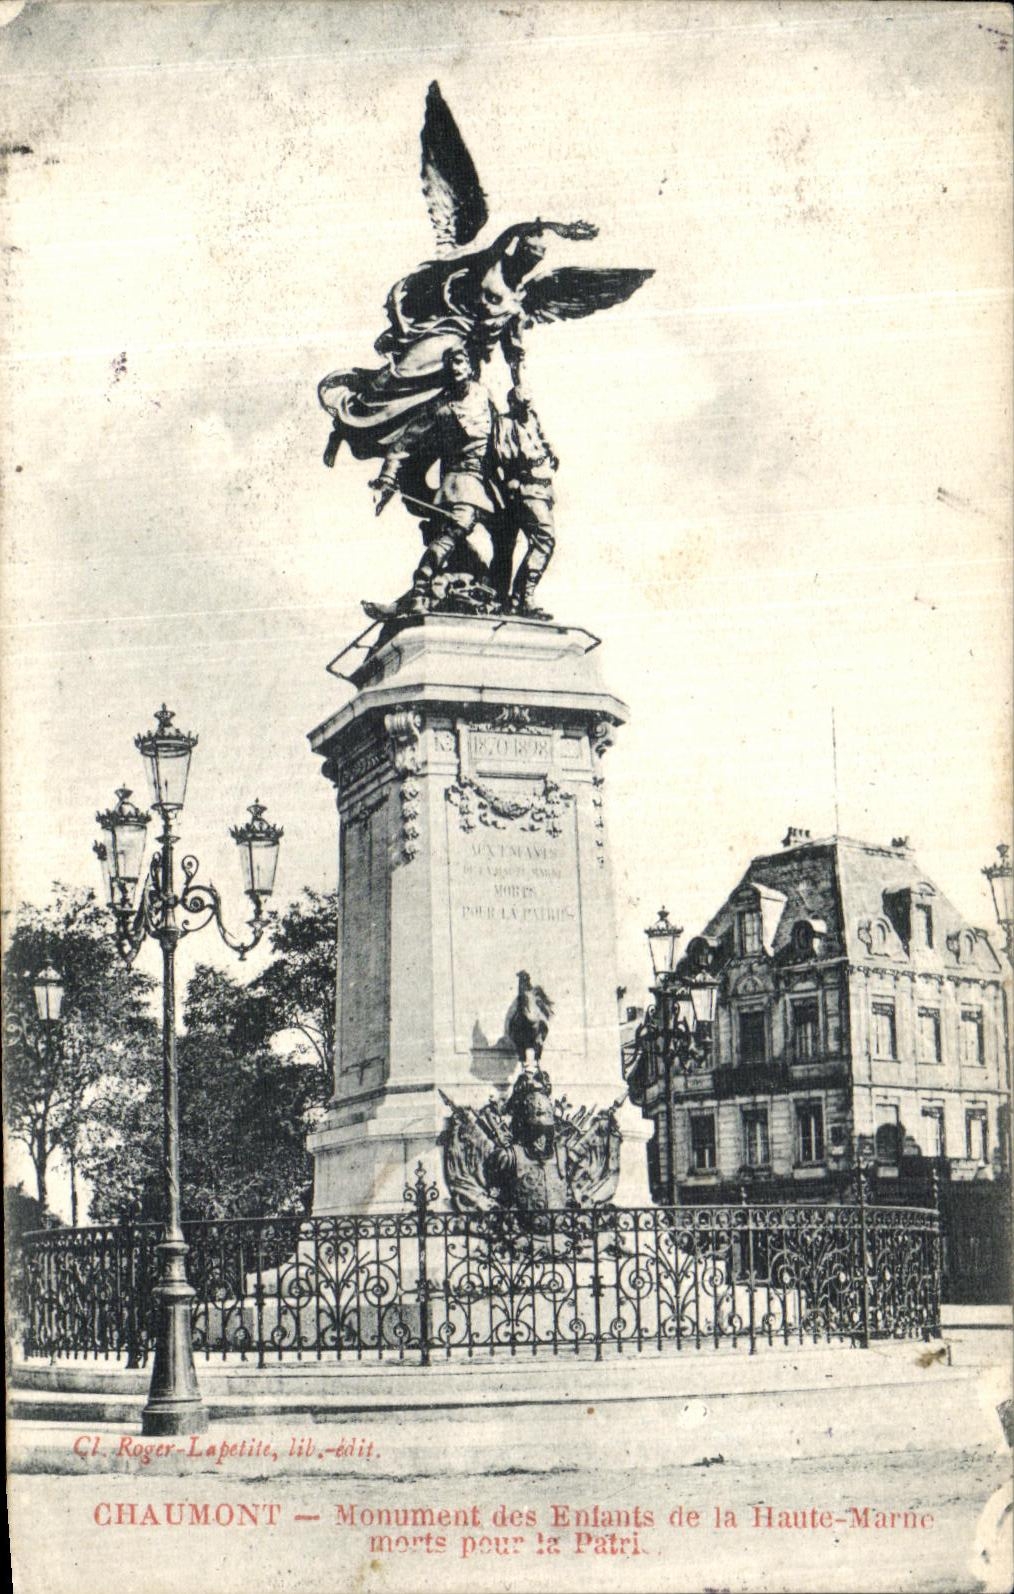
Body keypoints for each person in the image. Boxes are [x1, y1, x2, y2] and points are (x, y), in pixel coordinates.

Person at [370, 344, 499, 612]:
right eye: (450, 363)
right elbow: (403, 444)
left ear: (470, 366)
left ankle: (502, 592)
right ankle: (420, 587)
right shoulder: (439, 407)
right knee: (455, 529)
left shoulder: (485, 396)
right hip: (461, 481)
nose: (455, 367)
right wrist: (387, 478)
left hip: (493, 483)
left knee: (500, 536)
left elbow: (502, 431)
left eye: (460, 361)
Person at [494, 364, 558, 619]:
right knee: (545, 538)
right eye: (522, 406)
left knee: (542, 540)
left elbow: (542, 443)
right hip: (525, 489)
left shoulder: (533, 418)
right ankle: (525, 597)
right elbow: (506, 456)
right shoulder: (506, 423)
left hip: (543, 489)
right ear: (513, 405)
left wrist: (550, 452)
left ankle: (519, 599)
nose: (527, 409)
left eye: (529, 405)